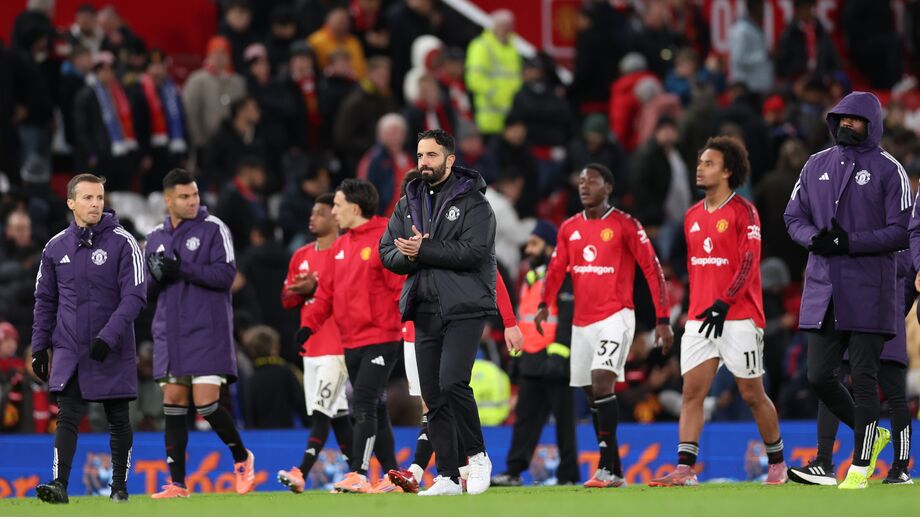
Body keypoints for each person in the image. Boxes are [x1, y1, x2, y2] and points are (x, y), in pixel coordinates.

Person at [784, 91, 911, 489]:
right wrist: (814, 238)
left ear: (872, 124)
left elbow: (902, 231)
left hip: (870, 289)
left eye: (855, 120)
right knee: (819, 375)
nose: (846, 125)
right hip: (824, 288)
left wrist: (848, 242)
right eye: (841, 119)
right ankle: (872, 432)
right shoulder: (815, 164)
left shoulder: (891, 171)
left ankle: (858, 467)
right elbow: (792, 215)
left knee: (864, 374)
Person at [649, 137, 787, 487]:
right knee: (692, 392)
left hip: (738, 316)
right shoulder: (692, 216)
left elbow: (748, 262)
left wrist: (724, 302)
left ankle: (777, 464)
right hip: (700, 318)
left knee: (752, 394)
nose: (700, 167)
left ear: (727, 171)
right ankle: (685, 469)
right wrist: (694, 309)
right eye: (699, 162)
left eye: (709, 163)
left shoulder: (744, 211)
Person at [535, 163, 673, 488]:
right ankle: (617, 471)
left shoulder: (626, 225)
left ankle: (606, 468)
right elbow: (556, 269)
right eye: (581, 181)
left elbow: (653, 271)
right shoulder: (569, 228)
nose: (584, 186)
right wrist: (544, 303)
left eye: (592, 181)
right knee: (591, 394)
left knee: (601, 382)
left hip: (616, 315)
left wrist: (663, 319)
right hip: (582, 323)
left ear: (608, 187)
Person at [386, 171, 524, 494]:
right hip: (413, 325)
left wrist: (510, 321)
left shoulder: (453, 224)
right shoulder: (401, 226)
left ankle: (446, 466)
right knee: (433, 400)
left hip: (451, 316)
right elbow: (386, 272)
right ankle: (447, 473)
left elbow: (489, 271)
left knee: (447, 388)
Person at [31, 174, 146, 503]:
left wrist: (108, 337)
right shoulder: (55, 247)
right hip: (70, 348)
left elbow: (135, 296)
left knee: (118, 416)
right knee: (67, 414)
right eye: (88, 198)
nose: (96, 204)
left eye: (99, 197)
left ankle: (120, 488)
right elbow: (45, 301)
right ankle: (59, 485)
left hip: (112, 346)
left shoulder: (124, 243)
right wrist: (40, 347)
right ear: (71, 203)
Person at [145, 169, 256, 499]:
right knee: (174, 402)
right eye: (184, 196)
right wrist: (155, 275)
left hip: (207, 329)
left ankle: (242, 457)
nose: (192, 201)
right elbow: (147, 289)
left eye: (194, 195)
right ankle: (177, 484)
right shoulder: (155, 235)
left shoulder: (214, 228)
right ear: (168, 200)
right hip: (170, 331)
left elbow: (226, 276)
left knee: (206, 405)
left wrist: (182, 269)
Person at [295, 179, 405, 494]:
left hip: (382, 338)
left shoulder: (385, 240)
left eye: (338, 206)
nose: (334, 211)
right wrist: (309, 326)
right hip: (351, 342)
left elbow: (399, 290)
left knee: (364, 403)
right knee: (377, 410)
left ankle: (357, 472)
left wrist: (408, 326)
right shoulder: (342, 246)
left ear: (355, 209)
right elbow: (326, 293)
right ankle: (395, 477)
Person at [789, 251, 914, 485]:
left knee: (894, 391)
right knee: (830, 381)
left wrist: (898, 311)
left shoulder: (903, 227)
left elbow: (905, 270)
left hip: (887, 311)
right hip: (854, 312)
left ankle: (900, 466)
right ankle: (824, 462)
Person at [491, 220, 580, 487]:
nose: (528, 249)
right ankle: (514, 472)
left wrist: (559, 356)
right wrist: (517, 359)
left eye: (534, 243)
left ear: (550, 247)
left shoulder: (562, 276)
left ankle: (568, 476)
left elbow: (566, 319)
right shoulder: (530, 279)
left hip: (555, 360)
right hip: (531, 359)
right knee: (525, 422)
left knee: (565, 423)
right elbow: (524, 321)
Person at [276, 194, 355, 493]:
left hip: (337, 346)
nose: (313, 218)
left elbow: (352, 294)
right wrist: (302, 291)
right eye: (312, 213)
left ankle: (301, 472)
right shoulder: (301, 255)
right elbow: (286, 300)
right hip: (312, 348)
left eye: (320, 213)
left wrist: (318, 285)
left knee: (322, 412)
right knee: (337, 416)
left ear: (335, 218)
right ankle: (359, 473)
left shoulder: (344, 251)